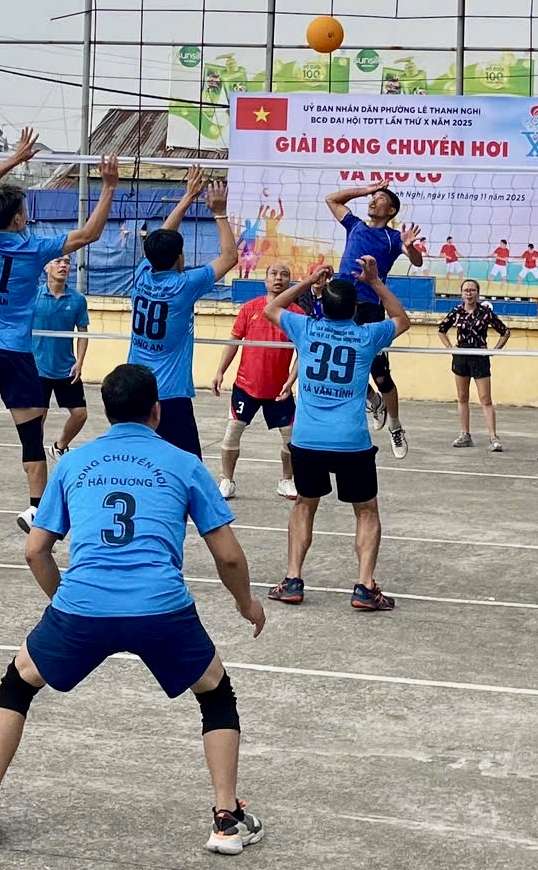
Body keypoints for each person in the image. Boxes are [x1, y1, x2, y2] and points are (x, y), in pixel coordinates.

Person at [0, 363, 267, 854]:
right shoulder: (184, 463)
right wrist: (247, 604)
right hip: (161, 609)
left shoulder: (74, 463)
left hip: (81, 608)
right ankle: (227, 819)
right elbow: (229, 556)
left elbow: (35, 551)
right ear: (156, 411)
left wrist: (67, 605)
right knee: (215, 693)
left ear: (106, 412)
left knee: (18, 684)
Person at [0, 133, 118, 554]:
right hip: (15, 353)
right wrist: (108, 186)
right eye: (24, 212)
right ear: (17, 220)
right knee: (31, 437)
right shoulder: (33, 249)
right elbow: (90, 233)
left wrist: (14, 159)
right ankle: (37, 511)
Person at [261, 256, 409, 611]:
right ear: (355, 310)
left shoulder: (306, 329)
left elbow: (271, 308)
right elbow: (402, 319)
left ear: (321, 307)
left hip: (308, 439)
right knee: (366, 511)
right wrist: (374, 281)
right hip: (351, 440)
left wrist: (308, 279)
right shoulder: (367, 335)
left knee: (304, 505)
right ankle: (364, 587)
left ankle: (293, 580)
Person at [129, 169, 241, 460]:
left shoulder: (141, 275)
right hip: (169, 395)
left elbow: (163, 238)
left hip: (136, 390)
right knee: (188, 466)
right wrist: (220, 213)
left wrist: (188, 197)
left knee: (144, 462)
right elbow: (230, 257)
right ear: (180, 257)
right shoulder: (184, 286)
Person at [323, 183, 422, 458]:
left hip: (370, 307)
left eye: (380, 198)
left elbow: (416, 261)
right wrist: (367, 189)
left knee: (379, 373)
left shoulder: (392, 238)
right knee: (340, 364)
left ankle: (395, 426)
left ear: (391, 210)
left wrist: (410, 247)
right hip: (342, 303)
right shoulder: (355, 225)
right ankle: (373, 401)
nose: (373, 201)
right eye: (373, 198)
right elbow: (331, 199)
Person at [213, 263, 299, 501]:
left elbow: (303, 353)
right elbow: (234, 342)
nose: (279, 278)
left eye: (284, 274)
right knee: (232, 434)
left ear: (289, 281)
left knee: (290, 438)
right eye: (274, 274)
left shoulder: (296, 315)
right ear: (266, 280)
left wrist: (290, 381)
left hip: (279, 390)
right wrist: (220, 371)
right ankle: (227, 481)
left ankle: (286, 481)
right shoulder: (250, 308)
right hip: (246, 386)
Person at [436, 279, 509, 452]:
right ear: (461, 294)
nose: (469, 293)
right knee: (462, 397)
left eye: (472, 290)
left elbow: (505, 332)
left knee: (485, 398)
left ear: (478, 293)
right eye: (466, 290)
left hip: (479, 356)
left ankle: (493, 437)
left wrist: (494, 350)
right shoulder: (456, 311)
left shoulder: (485, 312)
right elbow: (441, 329)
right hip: (461, 356)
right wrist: (450, 348)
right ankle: (465, 435)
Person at [32, 257, 91, 457]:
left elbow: (82, 333)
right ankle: (36, 455)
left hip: (66, 368)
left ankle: (59, 446)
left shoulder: (77, 299)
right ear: (46, 267)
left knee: (80, 414)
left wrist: (80, 362)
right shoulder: (34, 296)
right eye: (58, 262)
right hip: (38, 367)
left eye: (67, 262)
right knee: (38, 416)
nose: (63, 265)